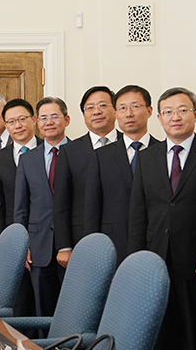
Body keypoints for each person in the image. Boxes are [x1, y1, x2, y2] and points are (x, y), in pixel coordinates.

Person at [129, 87, 196, 350]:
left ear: (195, 114)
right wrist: (137, 260)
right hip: (155, 257)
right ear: (159, 117)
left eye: (182, 110)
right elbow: (138, 213)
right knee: (159, 332)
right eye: (168, 112)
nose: (175, 117)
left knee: (194, 332)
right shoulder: (147, 157)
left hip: (194, 261)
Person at [85, 85, 158, 266]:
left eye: (135, 106)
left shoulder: (162, 152)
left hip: (155, 243)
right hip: (112, 244)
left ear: (149, 111)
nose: (129, 114)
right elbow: (93, 207)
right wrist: (92, 248)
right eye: (122, 108)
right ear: (116, 113)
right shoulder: (101, 156)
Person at [14, 97, 70, 316]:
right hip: (38, 246)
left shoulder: (80, 153)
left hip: (73, 245)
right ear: (37, 122)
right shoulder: (28, 159)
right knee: (43, 310)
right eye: (44, 118)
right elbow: (21, 207)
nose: (49, 122)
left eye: (54, 116)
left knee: (73, 309)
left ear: (66, 119)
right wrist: (23, 245)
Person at [53, 86, 118, 268]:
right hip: (81, 238)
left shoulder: (130, 144)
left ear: (115, 110)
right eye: (89, 108)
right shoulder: (70, 151)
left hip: (123, 235)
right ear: (83, 115)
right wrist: (64, 245)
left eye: (102, 105)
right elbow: (61, 202)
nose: (96, 112)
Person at [0, 98, 40, 317]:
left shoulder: (51, 151)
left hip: (46, 238)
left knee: (47, 299)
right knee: (19, 301)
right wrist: (5, 244)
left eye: (22, 119)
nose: (17, 126)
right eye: (11, 122)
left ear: (33, 120)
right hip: (14, 238)